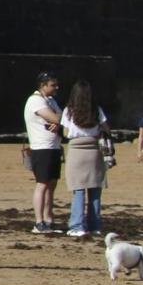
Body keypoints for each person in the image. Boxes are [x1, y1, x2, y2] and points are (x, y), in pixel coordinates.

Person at [60, 80, 111, 239]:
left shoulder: (69, 111)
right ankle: (95, 225)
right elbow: (106, 128)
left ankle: (77, 225)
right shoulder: (97, 110)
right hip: (94, 151)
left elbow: (66, 133)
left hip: (76, 151)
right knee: (95, 190)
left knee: (78, 190)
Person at [24, 72, 63, 234]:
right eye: (53, 85)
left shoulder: (51, 100)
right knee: (42, 184)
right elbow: (56, 117)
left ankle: (48, 219)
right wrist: (58, 119)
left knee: (52, 184)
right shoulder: (35, 101)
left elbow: (62, 116)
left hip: (54, 147)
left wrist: (59, 121)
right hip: (41, 148)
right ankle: (39, 222)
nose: (56, 88)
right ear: (43, 85)